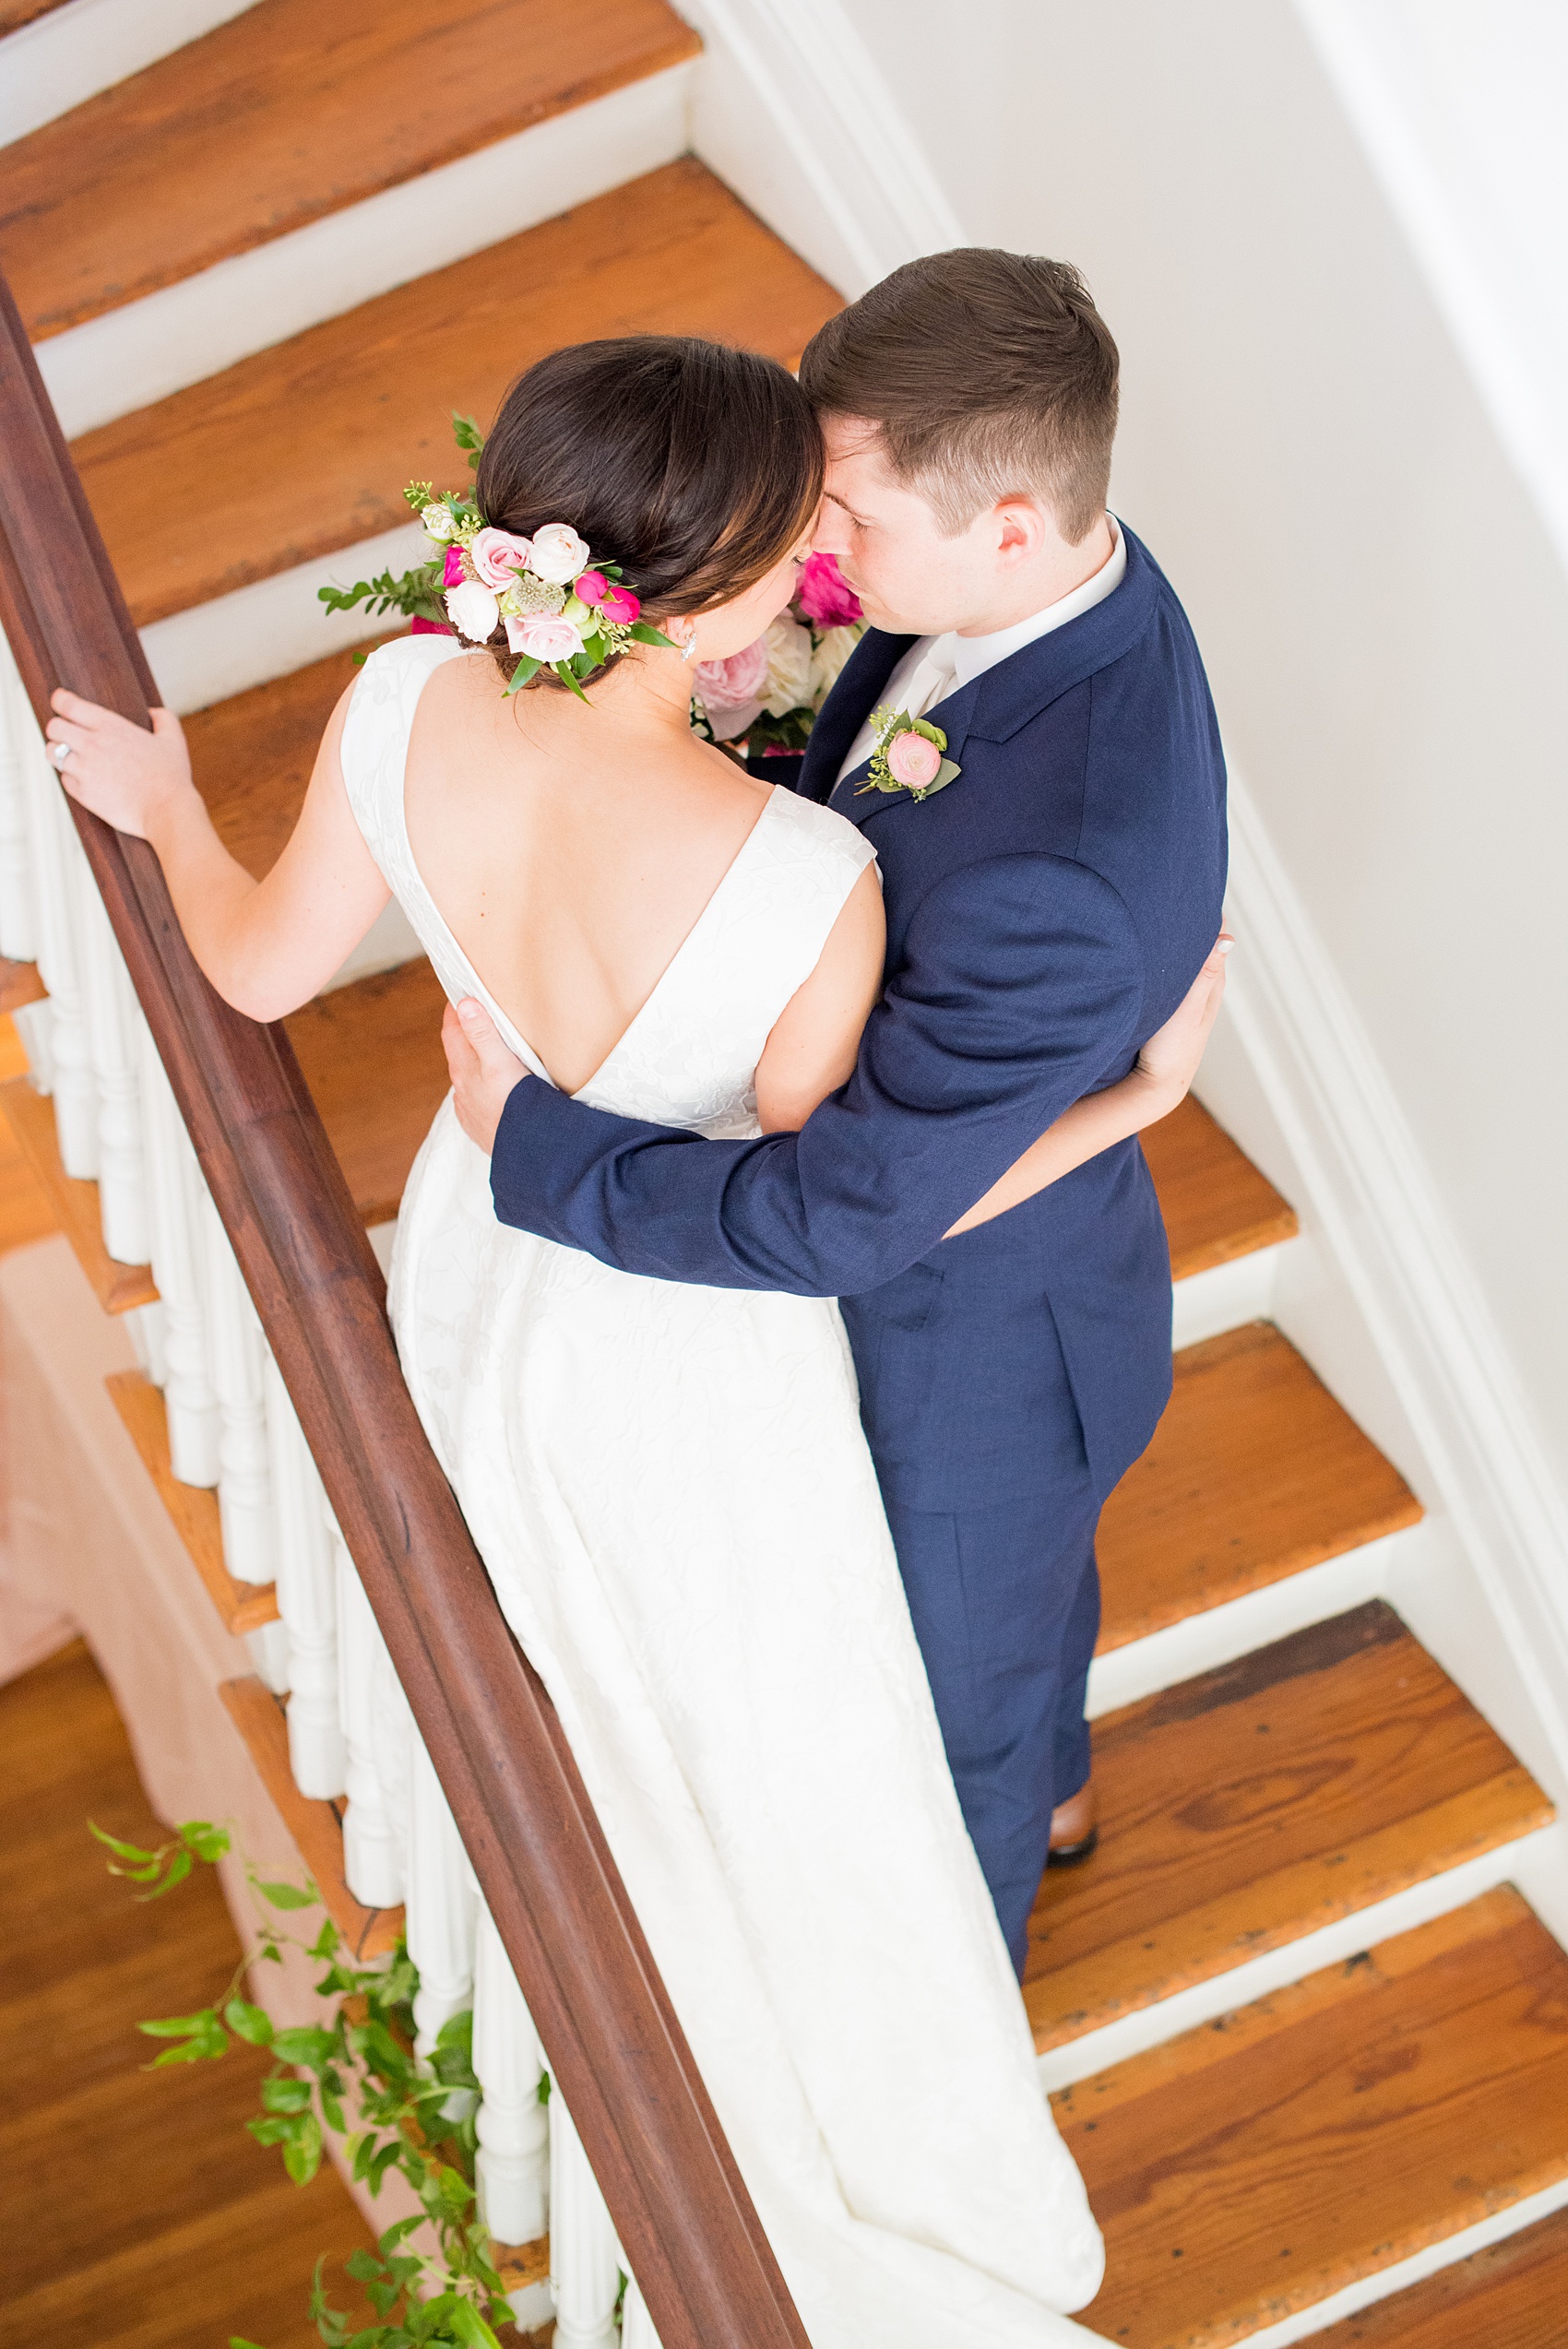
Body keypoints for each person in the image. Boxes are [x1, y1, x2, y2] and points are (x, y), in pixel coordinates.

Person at [48, 334, 1224, 2347]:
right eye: (807, 543)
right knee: (781, 1732)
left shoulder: (403, 690)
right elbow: (833, 1214)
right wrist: (1135, 1102)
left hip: (479, 1292)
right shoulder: (806, 876)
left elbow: (247, 961)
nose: (827, 576)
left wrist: (166, 806)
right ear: (735, 584)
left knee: (593, 1683)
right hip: (690, 1359)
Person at [445, 254, 1231, 1976]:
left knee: (955, 1723)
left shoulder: (1067, 878)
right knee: (1024, 1646)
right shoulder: (1050, 595)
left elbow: (837, 1217)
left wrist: (534, 1149)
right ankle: (1067, 1779)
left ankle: (968, 2006)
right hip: (1015, 1222)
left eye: (848, 513)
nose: (814, 548)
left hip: (974, 1362)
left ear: (1013, 524)